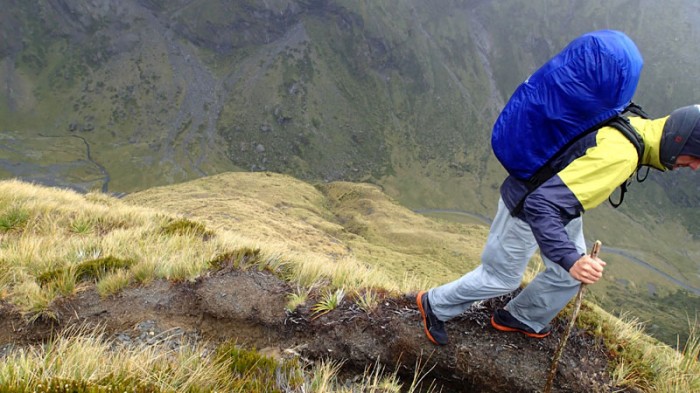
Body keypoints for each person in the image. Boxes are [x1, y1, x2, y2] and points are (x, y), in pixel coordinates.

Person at [417, 104, 700, 345]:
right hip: (529, 206)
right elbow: (540, 204)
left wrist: (571, 262)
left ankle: (520, 316)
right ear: (680, 142)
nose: (696, 166)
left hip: (563, 207)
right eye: (696, 157)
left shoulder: (636, 124)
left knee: (570, 274)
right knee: (501, 277)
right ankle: (434, 305)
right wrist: (570, 258)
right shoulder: (622, 155)